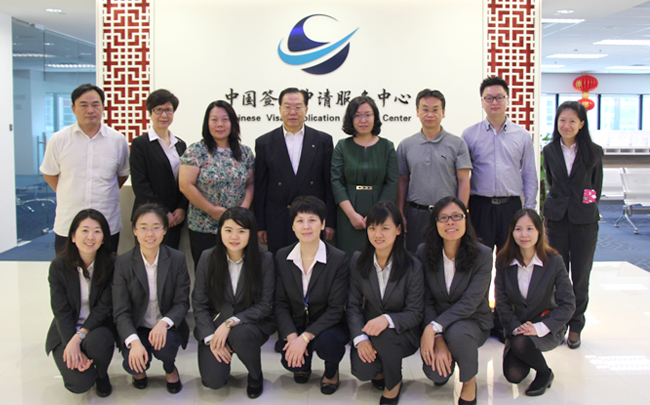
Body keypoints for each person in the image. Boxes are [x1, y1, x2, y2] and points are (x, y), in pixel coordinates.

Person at [192, 207, 275, 399]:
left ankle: (255, 374)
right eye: (228, 230)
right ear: (220, 231)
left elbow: (265, 305)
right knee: (213, 381)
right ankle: (220, 358)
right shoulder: (207, 258)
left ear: (251, 233)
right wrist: (211, 337)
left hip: (251, 325)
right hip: (215, 325)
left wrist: (230, 323)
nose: (234, 237)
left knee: (240, 334)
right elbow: (199, 304)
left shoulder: (265, 260)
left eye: (241, 231)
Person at [417, 196, 493, 405]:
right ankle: (449, 354)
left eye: (456, 216)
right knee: (436, 374)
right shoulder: (424, 252)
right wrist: (438, 337)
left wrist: (434, 327)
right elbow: (426, 299)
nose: (450, 222)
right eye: (443, 218)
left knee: (458, 332)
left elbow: (470, 302)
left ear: (465, 220)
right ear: (435, 223)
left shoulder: (483, 254)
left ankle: (469, 382)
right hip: (439, 322)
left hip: (473, 320)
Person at [348, 201, 424, 405]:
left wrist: (387, 320)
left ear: (398, 230)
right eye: (372, 228)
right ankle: (381, 367)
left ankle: (394, 383)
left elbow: (415, 312)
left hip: (403, 333)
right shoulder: (358, 260)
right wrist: (360, 339)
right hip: (370, 331)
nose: (378, 234)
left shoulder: (413, 266)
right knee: (363, 371)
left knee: (386, 336)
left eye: (385, 228)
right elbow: (353, 306)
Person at [40, 83, 130, 254]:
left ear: (103, 107)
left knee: (106, 268)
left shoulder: (117, 140)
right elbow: (49, 174)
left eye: (95, 105)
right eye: (83, 105)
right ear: (73, 108)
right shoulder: (58, 139)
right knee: (67, 268)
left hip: (106, 222)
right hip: (69, 222)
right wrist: (68, 191)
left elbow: (122, 175)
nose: (90, 110)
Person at [542, 101, 603, 349]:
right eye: (562, 120)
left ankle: (576, 324)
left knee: (580, 276)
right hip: (556, 220)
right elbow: (551, 183)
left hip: (584, 222)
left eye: (572, 121)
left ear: (581, 124)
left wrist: (582, 206)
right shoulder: (549, 150)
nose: (566, 125)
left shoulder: (594, 151)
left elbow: (595, 187)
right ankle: (559, 324)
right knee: (557, 275)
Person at [495, 209, 576, 396]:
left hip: (546, 327)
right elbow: (502, 303)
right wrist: (517, 328)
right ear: (512, 232)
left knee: (521, 345)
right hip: (517, 328)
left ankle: (545, 373)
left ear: (539, 231)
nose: (524, 234)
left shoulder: (554, 261)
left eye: (530, 229)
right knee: (514, 375)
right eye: (518, 229)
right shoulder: (503, 261)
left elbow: (568, 304)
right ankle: (523, 350)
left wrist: (539, 328)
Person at [274, 196, 349, 395]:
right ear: (293, 226)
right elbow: (280, 303)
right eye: (300, 221)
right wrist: (292, 337)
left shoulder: (338, 259)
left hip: (329, 325)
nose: (306, 226)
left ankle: (331, 371)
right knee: (292, 363)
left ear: (323, 224)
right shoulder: (282, 256)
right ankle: (304, 364)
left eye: (312, 220)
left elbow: (336, 309)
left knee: (328, 344)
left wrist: (305, 338)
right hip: (298, 322)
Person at [113, 203, 190, 394]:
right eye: (143, 227)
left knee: (166, 347)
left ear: (164, 230)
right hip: (137, 326)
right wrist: (134, 341)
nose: (150, 234)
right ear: (135, 230)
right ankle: (139, 371)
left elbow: (182, 302)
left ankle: (170, 368)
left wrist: (164, 323)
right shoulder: (123, 263)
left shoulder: (177, 259)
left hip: (165, 325)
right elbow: (121, 311)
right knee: (132, 363)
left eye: (156, 227)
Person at [254, 87, 336, 253]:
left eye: (298, 107)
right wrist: (260, 225)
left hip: (312, 219)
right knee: (280, 264)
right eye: (287, 107)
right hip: (278, 219)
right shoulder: (264, 142)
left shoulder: (322, 141)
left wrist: (330, 222)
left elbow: (329, 185)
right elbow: (261, 188)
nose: (293, 112)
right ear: (279, 110)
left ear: (306, 110)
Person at [461, 76, 538, 252]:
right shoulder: (469, 135)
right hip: (480, 207)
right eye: (489, 98)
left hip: (511, 207)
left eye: (499, 97)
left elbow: (529, 175)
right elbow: (462, 176)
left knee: (512, 258)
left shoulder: (522, 135)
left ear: (507, 100)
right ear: (482, 102)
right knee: (479, 258)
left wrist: (529, 210)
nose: (494, 102)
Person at [45, 209, 116, 397]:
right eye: (84, 230)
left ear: (103, 238)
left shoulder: (113, 265)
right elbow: (61, 312)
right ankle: (87, 369)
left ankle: (101, 374)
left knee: (100, 342)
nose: (90, 237)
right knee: (79, 384)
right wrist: (71, 342)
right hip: (66, 329)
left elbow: (103, 308)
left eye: (97, 231)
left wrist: (80, 337)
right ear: (73, 237)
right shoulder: (58, 266)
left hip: (97, 327)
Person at [179, 100, 254, 265]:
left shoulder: (245, 152)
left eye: (225, 119)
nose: (220, 124)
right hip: (204, 226)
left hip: (238, 227)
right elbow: (185, 185)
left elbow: (250, 183)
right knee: (207, 273)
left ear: (233, 123)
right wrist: (211, 210)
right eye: (214, 120)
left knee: (237, 271)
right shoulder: (196, 151)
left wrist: (243, 209)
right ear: (207, 123)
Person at [397, 89, 472, 253]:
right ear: (417, 112)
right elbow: (402, 181)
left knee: (445, 258)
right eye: (425, 109)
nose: (430, 114)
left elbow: (464, 180)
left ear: (443, 112)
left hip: (447, 215)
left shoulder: (457, 144)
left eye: (435, 109)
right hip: (416, 214)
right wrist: (400, 213)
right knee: (415, 259)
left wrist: (461, 214)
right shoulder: (406, 145)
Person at [332, 96, 398, 258]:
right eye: (357, 115)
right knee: (349, 257)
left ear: (375, 117)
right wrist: (351, 215)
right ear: (350, 118)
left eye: (368, 114)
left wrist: (377, 215)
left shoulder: (387, 146)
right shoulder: (342, 146)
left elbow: (392, 182)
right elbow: (336, 182)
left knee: (378, 256)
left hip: (381, 210)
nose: (363, 120)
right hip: (348, 211)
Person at [130, 89, 188, 249]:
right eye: (158, 110)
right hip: (148, 218)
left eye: (168, 110)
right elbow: (140, 185)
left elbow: (186, 180)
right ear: (150, 112)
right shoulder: (140, 144)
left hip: (175, 218)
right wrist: (162, 212)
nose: (164, 115)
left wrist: (182, 208)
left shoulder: (180, 144)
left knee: (171, 259)